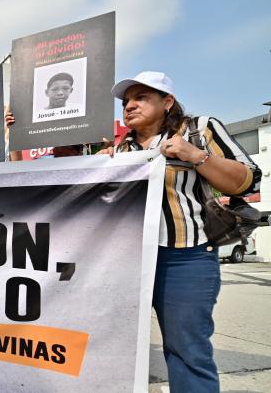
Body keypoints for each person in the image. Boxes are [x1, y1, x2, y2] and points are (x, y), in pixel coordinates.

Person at [100, 71, 261, 392]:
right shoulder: (120, 147)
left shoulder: (199, 129)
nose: (129, 106)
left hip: (185, 257)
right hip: (128, 262)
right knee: (114, 346)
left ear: (167, 101)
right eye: (125, 101)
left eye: (141, 97)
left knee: (187, 349)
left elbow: (248, 179)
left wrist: (195, 156)